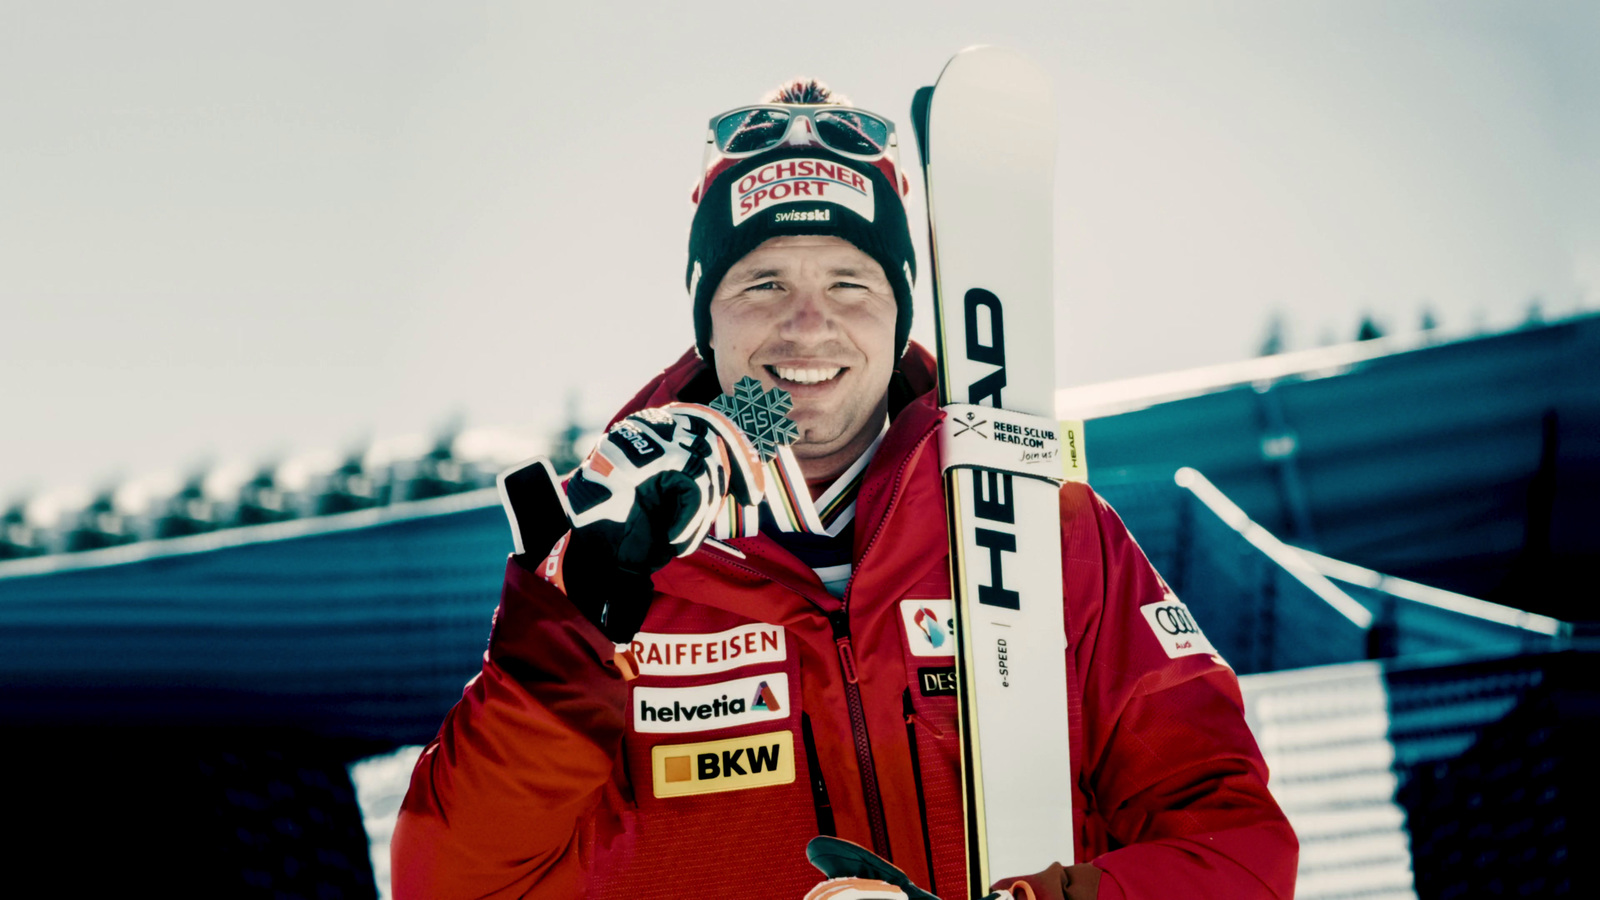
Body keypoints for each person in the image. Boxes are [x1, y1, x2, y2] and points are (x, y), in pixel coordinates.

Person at [392, 79, 1297, 900]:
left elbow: (1238, 853)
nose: (809, 322)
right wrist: (567, 630)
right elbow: (451, 885)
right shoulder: (613, 563)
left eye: (850, 282)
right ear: (708, 317)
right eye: (764, 281)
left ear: (902, 310)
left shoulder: (1050, 530)